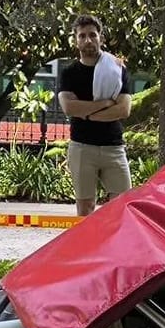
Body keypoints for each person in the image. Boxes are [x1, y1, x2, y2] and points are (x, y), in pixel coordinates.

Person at [58, 13, 135, 216]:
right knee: (85, 208)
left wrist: (88, 113)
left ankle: (116, 248)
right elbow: (69, 108)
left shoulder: (116, 70)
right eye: (82, 36)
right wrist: (105, 103)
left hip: (113, 147)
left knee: (122, 207)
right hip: (82, 148)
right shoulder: (69, 73)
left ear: (101, 37)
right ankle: (86, 248)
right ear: (76, 40)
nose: (88, 40)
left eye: (92, 35)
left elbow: (124, 109)